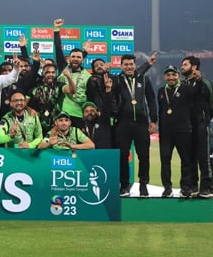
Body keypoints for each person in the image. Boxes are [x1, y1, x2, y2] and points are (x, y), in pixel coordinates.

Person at [113, 54, 157, 198]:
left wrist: (153, 120)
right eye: (125, 64)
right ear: (121, 66)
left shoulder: (144, 80)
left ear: (135, 65)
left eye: (131, 64)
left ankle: (143, 185)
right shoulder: (116, 81)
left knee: (143, 156)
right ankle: (124, 185)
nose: (129, 67)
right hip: (122, 123)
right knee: (122, 156)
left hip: (141, 123)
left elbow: (151, 100)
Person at [157, 65, 198, 198]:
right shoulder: (161, 91)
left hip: (183, 131)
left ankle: (185, 187)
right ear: (164, 77)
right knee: (165, 160)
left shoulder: (186, 89)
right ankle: (167, 188)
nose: (171, 78)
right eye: (168, 75)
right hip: (166, 132)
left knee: (186, 160)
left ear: (178, 76)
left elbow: (195, 102)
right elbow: (161, 111)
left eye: (173, 75)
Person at [182, 56, 213, 198]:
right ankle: (192, 187)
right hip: (187, 126)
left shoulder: (206, 83)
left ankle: (207, 188)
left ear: (194, 67)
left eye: (185, 65)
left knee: (204, 158)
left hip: (201, 124)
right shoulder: (183, 84)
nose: (182, 67)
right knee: (190, 158)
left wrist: (204, 117)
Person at [54, 19, 89, 129]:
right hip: (63, 115)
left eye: (78, 57)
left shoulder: (88, 76)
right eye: (73, 56)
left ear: (83, 60)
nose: (75, 59)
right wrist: (56, 30)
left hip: (80, 115)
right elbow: (58, 50)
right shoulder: (64, 68)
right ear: (69, 58)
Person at [78, 73, 115, 149]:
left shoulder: (103, 121)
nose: (89, 113)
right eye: (87, 111)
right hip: (84, 157)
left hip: (103, 156)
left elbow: (106, 106)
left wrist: (108, 90)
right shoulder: (79, 127)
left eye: (92, 110)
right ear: (83, 114)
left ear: (97, 112)